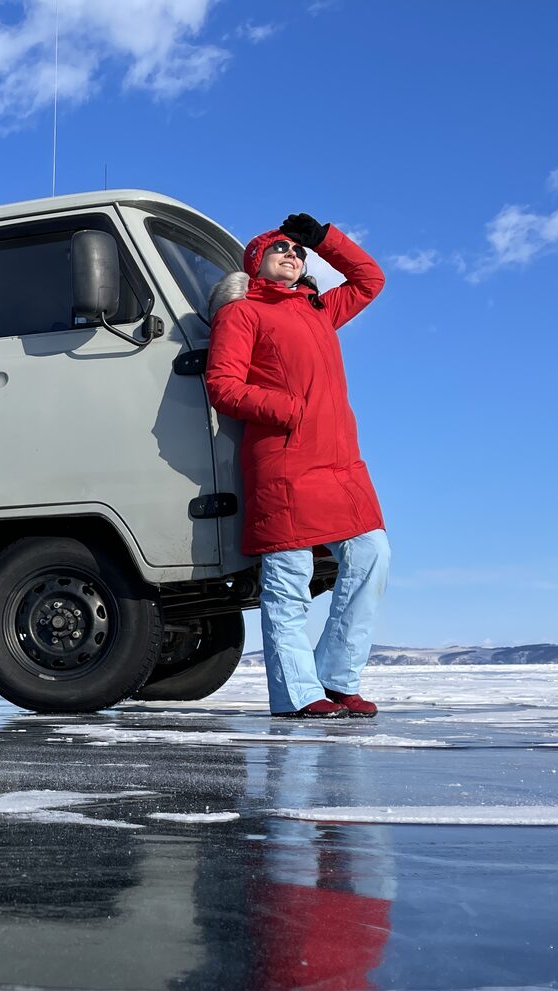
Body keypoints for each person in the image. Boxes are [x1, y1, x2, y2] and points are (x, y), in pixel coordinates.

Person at [205, 213, 391, 719]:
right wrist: (290, 410)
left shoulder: (319, 310)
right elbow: (222, 386)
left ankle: (336, 678)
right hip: (284, 460)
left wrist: (324, 239)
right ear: (255, 263)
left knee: (372, 555)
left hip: (340, 463)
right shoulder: (241, 314)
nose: (293, 254)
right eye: (280, 248)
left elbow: (370, 279)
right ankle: (296, 694)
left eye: (297, 250)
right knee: (290, 579)